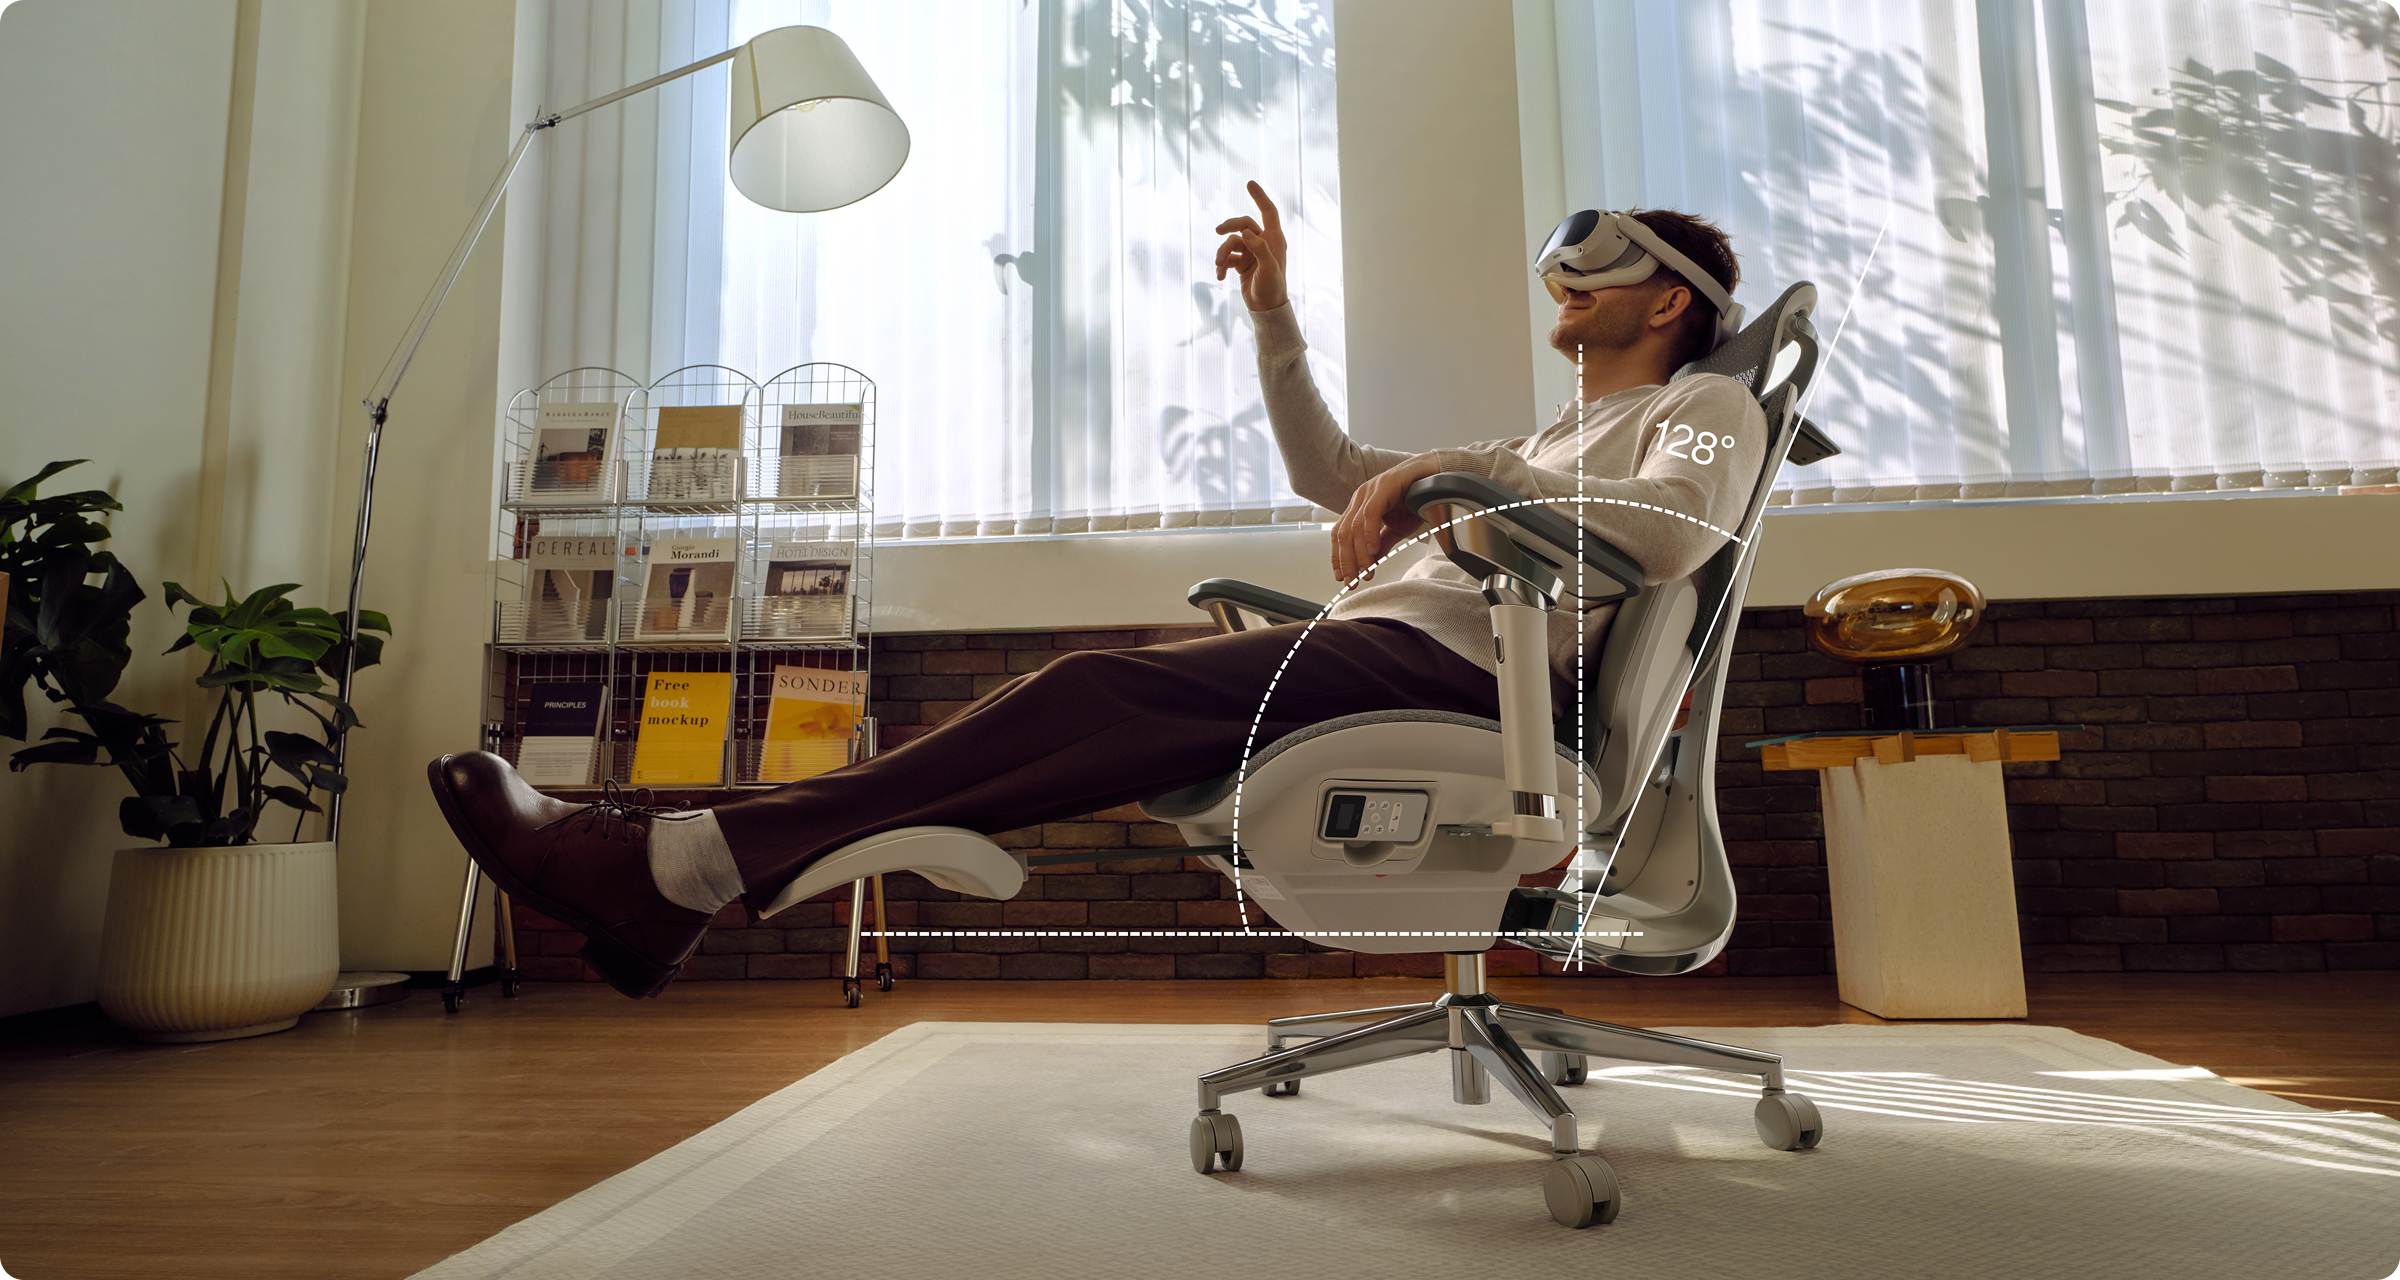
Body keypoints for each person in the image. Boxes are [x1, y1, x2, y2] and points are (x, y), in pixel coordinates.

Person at [426, 183, 1767, 998]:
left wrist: (1453, 483)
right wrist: (1275, 318)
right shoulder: (1543, 441)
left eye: (1612, 255)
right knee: (1092, 694)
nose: (1574, 274)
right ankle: (682, 873)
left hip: (1462, 676)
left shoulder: (1707, 405)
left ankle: (676, 865)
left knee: (1088, 690)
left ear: (1667, 303)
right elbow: (1330, 471)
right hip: (1388, 650)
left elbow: (1666, 535)